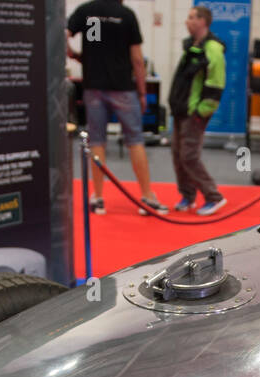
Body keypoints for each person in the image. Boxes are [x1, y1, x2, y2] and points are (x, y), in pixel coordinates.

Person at [66, 0, 168, 215]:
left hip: (94, 86)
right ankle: (147, 197)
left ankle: (99, 198)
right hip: (122, 88)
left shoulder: (86, 11)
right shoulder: (126, 15)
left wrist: (74, 55)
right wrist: (141, 92)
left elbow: (62, 34)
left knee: (97, 141)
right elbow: (138, 60)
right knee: (135, 140)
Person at [168, 6, 228, 216]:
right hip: (180, 109)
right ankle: (188, 195)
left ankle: (213, 196)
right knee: (178, 154)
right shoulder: (191, 46)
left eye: (192, 18)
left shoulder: (212, 48)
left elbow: (216, 83)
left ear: (203, 21)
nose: (187, 21)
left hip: (194, 112)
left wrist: (201, 111)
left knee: (189, 156)